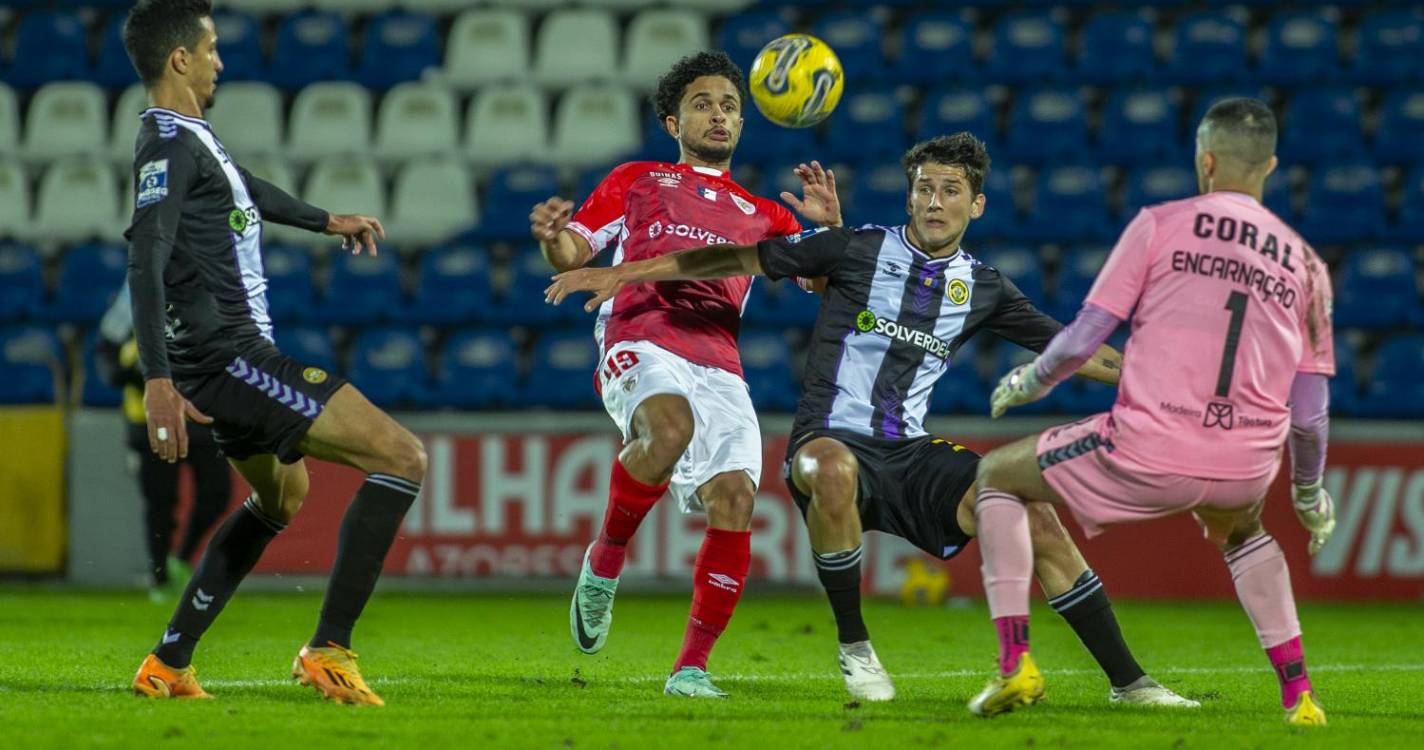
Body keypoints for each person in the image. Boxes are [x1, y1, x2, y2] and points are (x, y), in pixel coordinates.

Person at [545, 133, 1195, 708]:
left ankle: (1129, 682)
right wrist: (626, 270)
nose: (935, 202)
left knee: (1032, 512)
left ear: (978, 206)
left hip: (907, 454)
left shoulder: (984, 286)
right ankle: (855, 647)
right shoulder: (855, 250)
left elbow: (1072, 347)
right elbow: (729, 259)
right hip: (826, 443)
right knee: (827, 467)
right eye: (924, 189)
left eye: (951, 191)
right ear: (909, 197)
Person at [964, 99, 1336, 726]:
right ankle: (1299, 696)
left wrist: (1030, 380)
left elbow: (1086, 336)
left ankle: (1015, 664)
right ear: (1270, 165)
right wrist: (1308, 495)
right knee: (1245, 532)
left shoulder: (1160, 224)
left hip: (1149, 444)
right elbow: (1311, 412)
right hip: (1246, 463)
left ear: (1206, 159)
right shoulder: (1306, 264)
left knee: (996, 476)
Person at [122, 0, 427, 706]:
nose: (220, 62)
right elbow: (146, 256)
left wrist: (326, 221)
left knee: (282, 494)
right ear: (180, 59)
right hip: (228, 356)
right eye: (212, 48)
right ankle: (329, 650)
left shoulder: (191, 139)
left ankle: (168, 662)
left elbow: (246, 194)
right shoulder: (168, 144)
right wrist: (158, 380)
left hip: (224, 355)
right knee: (402, 456)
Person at [529, 51, 842, 698]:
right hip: (643, 333)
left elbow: (823, 281)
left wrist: (829, 229)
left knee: (735, 500)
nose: (720, 114)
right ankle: (606, 560)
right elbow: (575, 250)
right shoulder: (638, 178)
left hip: (720, 360)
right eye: (704, 103)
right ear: (674, 119)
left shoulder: (767, 212)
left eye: (730, 105)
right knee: (667, 431)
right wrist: (552, 237)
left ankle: (691, 670)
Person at [97, 282, 230, 603]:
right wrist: (141, 376)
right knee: (160, 501)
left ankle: (179, 559)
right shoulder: (135, 292)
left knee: (217, 493)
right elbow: (107, 353)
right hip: (149, 419)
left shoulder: (210, 283)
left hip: (199, 415)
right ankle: (159, 576)